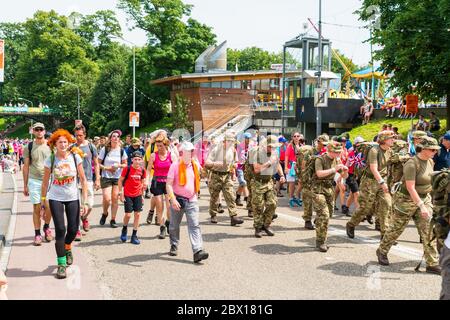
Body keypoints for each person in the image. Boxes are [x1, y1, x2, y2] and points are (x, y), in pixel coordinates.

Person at [376, 136, 441, 275]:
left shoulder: (430, 161)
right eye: (432, 149)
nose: (435, 152)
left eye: (436, 150)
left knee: (429, 230)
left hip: (424, 198)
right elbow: (410, 187)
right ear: (423, 148)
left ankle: (432, 263)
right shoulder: (412, 163)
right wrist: (421, 206)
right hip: (406, 200)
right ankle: (382, 250)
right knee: (396, 229)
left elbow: (430, 182)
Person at [40, 129, 88, 279]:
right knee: (61, 229)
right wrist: (43, 202)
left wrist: (84, 201)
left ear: (69, 143)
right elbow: (45, 182)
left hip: (73, 197)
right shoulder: (51, 159)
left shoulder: (75, 157)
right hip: (56, 197)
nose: (62, 144)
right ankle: (61, 265)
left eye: (65, 142)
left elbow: (83, 180)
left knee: (73, 229)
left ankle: (67, 246)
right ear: (54, 144)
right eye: (59, 142)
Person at [346, 130, 395, 240]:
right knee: (365, 208)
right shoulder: (374, 150)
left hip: (382, 180)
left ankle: (385, 234)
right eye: (391, 138)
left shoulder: (390, 150)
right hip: (370, 181)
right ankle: (351, 224)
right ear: (384, 140)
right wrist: (382, 183)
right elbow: (373, 168)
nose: (393, 140)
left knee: (386, 204)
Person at [166, 142, 209, 263]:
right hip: (177, 200)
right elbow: (168, 184)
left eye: (192, 151)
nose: (191, 154)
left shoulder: (195, 165)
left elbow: (204, 175)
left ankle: (197, 251)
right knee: (174, 226)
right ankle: (174, 244)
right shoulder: (174, 166)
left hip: (192, 200)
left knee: (194, 225)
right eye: (188, 151)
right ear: (181, 153)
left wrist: (206, 170)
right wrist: (172, 199)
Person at [313, 141, 348, 252]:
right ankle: (321, 242)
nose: (338, 154)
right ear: (329, 150)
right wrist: (335, 169)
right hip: (318, 189)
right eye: (336, 152)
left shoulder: (337, 160)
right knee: (324, 215)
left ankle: (318, 220)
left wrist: (345, 172)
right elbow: (319, 173)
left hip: (329, 189)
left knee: (329, 214)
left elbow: (342, 175)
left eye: (339, 152)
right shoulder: (320, 159)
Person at [205, 130, 244, 226]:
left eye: (233, 142)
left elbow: (235, 162)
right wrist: (215, 164)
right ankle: (213, 214)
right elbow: (207, 163)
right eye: (230, 141)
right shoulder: (216, 149)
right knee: (214, 196)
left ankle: (233, 216)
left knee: (230, 196)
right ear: (224, 141)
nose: (231, 144)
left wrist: (234, 168)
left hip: (227, 175)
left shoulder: (233, 150)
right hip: (216, 175)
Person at [23, 123, 53, 246]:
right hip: (34, 180)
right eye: (37, 130)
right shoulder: (29, 147)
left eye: (41, 129)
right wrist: (25, 185)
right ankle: (37, 234)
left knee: (49, 206)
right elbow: (25, 167)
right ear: (33, 131)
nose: (39, 131)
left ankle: (46, 226)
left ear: (44, 131)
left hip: (49, 180)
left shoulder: (51, 146)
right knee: (36, 207)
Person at [250, 135, 285, 238]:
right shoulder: (257, 154)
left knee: (272, 203)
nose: (273, 149)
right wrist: (269, 162)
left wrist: (282, 175)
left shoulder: (274, 153)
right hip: (258, 182)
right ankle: (258, 228)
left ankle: (266, 225)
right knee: (258, 206)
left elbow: (277, 164)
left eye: (274, 147)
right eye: (271, 147)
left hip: (269, 181)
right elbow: (256, 169)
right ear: (266, 145)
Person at [146, 132, 177, 239]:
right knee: (159, 206)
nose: (158, 148)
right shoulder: (153, 155)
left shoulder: (171, 155)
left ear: (165, 145)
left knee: (169, 207)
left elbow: (176, 170)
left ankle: (168, 222)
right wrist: (147, 181)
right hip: (156, 182)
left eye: (161, 146)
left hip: (168, 184)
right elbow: (149, 169)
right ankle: (162, 227)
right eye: (157, 146)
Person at [73, 124, 100, 235]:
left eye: (80, 135)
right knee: (77, 206)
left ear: (85, 135)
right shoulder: (72, 147)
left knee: (90, 205)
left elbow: (97, 163)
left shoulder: (91, 147)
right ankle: (77, 230)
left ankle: (84, 218)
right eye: (76, 135)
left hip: (88, 179)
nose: (78, 138)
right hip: (75, 180)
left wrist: (97, 179)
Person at [98, 130, 128, 228]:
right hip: (106, 176)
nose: (115, 138)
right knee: (107, 198)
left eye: (117, 136)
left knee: (115, 198)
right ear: (110, 138)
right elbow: (98, 163)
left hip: (117, 177)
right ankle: (105, 213)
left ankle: (113, 219)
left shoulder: (121, 150)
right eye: (113, 136)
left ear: (119, 139)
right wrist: (107, 168)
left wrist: (119, 165)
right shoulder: (105, 149)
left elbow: (125, 164)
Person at [118, 151, 147, 245]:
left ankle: (134, 236)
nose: (137, 161)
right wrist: (120, 193)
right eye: (135, 159)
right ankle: (124, 229)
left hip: (138, 194)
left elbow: (142, 182)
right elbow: (120, 180)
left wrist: (142, 195)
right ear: (132, 160)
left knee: (137, 215)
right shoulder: (127, 169)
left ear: (141, 160)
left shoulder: (143, 170)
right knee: (128, 215)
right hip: (127, 194)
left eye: (139, 159)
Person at [343, 136, 365, 217]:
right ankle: (359, 213)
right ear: (356, 144)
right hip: (351, 175)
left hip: (359, 175)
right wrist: (343, 174)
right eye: (360, 144)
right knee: (357, 193)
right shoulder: (352, 153)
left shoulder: (363, 153)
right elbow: (347, 164)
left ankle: (346, 207)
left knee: (353, 193)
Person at [285, 132, 303, 207]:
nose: (296, 137)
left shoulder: (302, 145)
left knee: (301, 182)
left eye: (297, 136)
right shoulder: (290, 146)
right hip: (291, 166)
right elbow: (286, 156)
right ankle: (291, 199)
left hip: (299, 166)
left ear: (300, 137)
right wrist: (285, 167)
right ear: (292, 137)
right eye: (294, 136)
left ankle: (296, 196)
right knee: (291, 184)